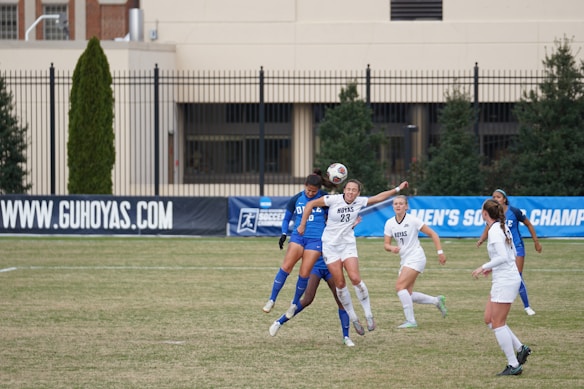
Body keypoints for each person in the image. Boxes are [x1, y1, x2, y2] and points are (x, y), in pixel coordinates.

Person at [296, 179, 409, 335]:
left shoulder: (359, 202)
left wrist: (397, 188)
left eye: (354, 190)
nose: (350, 192)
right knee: (340, 284)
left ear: (358, 193)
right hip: (330, 247)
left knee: (355, 278)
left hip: (347, 245)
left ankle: (369, 315)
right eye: (348, 189)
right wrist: (302, 224)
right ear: (344, 190)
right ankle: (354, 318)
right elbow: (310, 205)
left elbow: (378, 197)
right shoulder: (333, 200)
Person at [472, 199, 532, 376]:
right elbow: (511, 254)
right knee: (489, 319)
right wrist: (491, 268)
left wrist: (484, 266)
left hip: (505, 280)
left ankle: (513, 365)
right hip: (503, 278)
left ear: (485, 214)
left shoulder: (495, 231)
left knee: (498, 323)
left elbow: (504, 257)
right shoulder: (500, 227)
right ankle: (521, 348)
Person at [262, 169, 334, 314]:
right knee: (286, 267)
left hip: (316, 240)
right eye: (308, 190)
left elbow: (334, 215)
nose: (310, 193)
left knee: (304, 272)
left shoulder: (325, 199)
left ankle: (294, 303)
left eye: (314, 191)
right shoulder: (296, 199)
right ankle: (272, 299)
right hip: (298, 237)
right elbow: (287, 218)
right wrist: (283, 233)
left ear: (319, 190)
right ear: (304, 185)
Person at [383, 195, 448, 328]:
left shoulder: (413, 220)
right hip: (405, 259)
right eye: (395, 204)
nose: (398, 206)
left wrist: (440, 252)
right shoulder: (390, 223)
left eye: (401, 203)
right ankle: (436, 300)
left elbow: (433, 234)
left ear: (406, 206)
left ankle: (411, 321)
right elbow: (386, 245)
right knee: (408, 294)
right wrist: (392, 248)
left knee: (400, 287)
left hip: (416, 257)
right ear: (393, 206)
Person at [477, 189, 542, 316]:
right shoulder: (493, 216)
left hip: (516, 246)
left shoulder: (514, 211)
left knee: (517, 275)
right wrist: (481, 239)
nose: (496, 199)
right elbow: (487, 227)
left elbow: (528, 224)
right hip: (504, 247)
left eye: (498, 197)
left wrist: (536, 241)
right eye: (493, 197)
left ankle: (527, 306)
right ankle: (504, 301)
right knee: (505, 274)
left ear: (504, 199)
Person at [269, 255, 355, 347]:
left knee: (341, 300)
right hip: (315, 267)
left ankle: (346, 337)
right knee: (307, 299)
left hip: (332, 267)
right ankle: (279, 322)